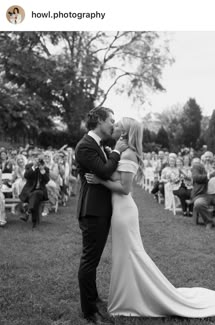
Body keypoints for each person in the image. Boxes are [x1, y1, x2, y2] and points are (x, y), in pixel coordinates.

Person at [85, 117, 215, 319]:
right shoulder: (122, 151)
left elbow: (124, 188)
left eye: (119, 124)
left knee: (131, 254)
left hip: (124, 211)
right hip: (119, 210)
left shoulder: (128, 154)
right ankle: (128, 296)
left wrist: (100, 181)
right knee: (125, 255)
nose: (115, 125)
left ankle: (134, 298)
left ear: (126, 131)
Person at [75, 106, 127, 324]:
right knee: (89, 260)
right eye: (111, 120)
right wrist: (117, 151)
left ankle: (94, 299)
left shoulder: (98, 144)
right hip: (92, 210)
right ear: (98, 120)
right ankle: (89, 311)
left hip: (100, 209)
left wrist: (111, 153)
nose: (113, 124)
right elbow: (104, 171)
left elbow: (105, 172)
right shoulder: (85, 146)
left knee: (93, 261)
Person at [19, 155, 50, 228]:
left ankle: (27, 213)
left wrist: (42, 170)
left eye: (39, 160)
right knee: (35, 195)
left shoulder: (45, 168)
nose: (38, 162)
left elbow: (47, 180)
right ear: (33, 159)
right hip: (29, 191)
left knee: (37, 193)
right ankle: (34, 220)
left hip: (41, 191)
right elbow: (26, 176)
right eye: (36, 159)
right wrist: (34, 167)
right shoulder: (29, 166)